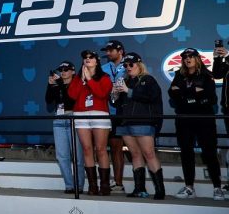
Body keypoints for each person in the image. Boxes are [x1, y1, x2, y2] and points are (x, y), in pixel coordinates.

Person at [168, 48, 224, 200]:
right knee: (186, 153)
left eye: (191, 56)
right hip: (184, 119)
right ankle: (189, 187)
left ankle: (217, 188)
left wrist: (184, 93)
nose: (188, 59)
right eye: (185, 57)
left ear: (197, 58)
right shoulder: (179, 75)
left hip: (204, 119)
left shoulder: (206, 75)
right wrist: (195, 92)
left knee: (210, 153)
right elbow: (172, 93)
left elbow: (211, 98)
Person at [112, 52, 165, 199]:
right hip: (125, 122)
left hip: (143, 121)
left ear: (139, 64)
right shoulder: (125, 81)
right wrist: (114, 95)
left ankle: (160, 190)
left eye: (131, 64)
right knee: (135, 154)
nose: (128, 67)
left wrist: (128, 91)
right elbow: (116, 104)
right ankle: (139, 189)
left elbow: (150, 97)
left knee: (149, 154)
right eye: (125, 65)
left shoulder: (148, 80)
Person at [68, 50, 113, 196]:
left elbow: (101, 94)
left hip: (99, 114)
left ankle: (105, 186)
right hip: (80, 115)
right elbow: (72, 95)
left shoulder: (105, 77)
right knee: (87, 149)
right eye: (85, 58)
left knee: (101, 149)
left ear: (97, 61)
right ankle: (93, 186)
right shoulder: (78, 78)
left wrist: (90, 79)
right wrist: (82, 80)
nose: (87, 59)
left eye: (91, 57)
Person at [45, 61, 83, 194]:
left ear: (73, 71)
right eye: (61, 70)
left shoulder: (77, 83)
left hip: (74, 117)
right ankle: (69, 185)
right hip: (59, 119)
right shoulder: (57, 84)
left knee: (77, 156)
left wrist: (59, 84)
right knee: (62, 156)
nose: (63, 72)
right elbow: (49, 101)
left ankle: (79, 186)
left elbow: (70, 100)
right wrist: (50, 85)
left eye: (66, 69)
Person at [100, 40, 128, 192]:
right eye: (106, 50)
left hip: (125, 113)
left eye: (111, 50)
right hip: (107, 113)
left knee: (123, 149)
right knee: (106, 148)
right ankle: (112, 182)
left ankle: (119, 183)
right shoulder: (103, 68)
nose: (107, 53)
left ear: (120, 51)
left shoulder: (130, 65)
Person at [213, 41, 229, 145]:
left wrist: (227, 56)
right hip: (227, 108)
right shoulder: (227, 62)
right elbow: (217, 75)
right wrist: (217, 58)